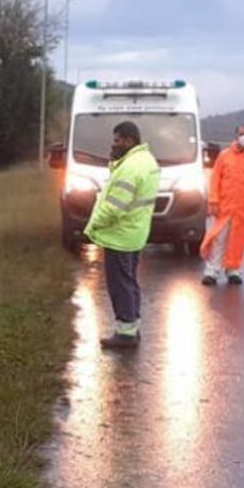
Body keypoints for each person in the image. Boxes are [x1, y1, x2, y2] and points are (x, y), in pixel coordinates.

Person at [84, 121, 161, 349]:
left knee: (120, 284)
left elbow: (114, 207)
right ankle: (132, 326)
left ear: (129, 140)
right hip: (134, 233)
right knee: (129, 281)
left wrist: (92, 226)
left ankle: (125, 333)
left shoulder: (130, 168)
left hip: (121, 235)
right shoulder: (146, 160)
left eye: (117, 141)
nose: (114, 144)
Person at [200, 125, 244, 286]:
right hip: (224, 207)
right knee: (219, 239)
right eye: (241, 134)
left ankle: (233, 270)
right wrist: (213, 201)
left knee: (238, 240)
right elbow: (215, 180)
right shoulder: (225, 156)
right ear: (235, 136)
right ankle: (212, 271)